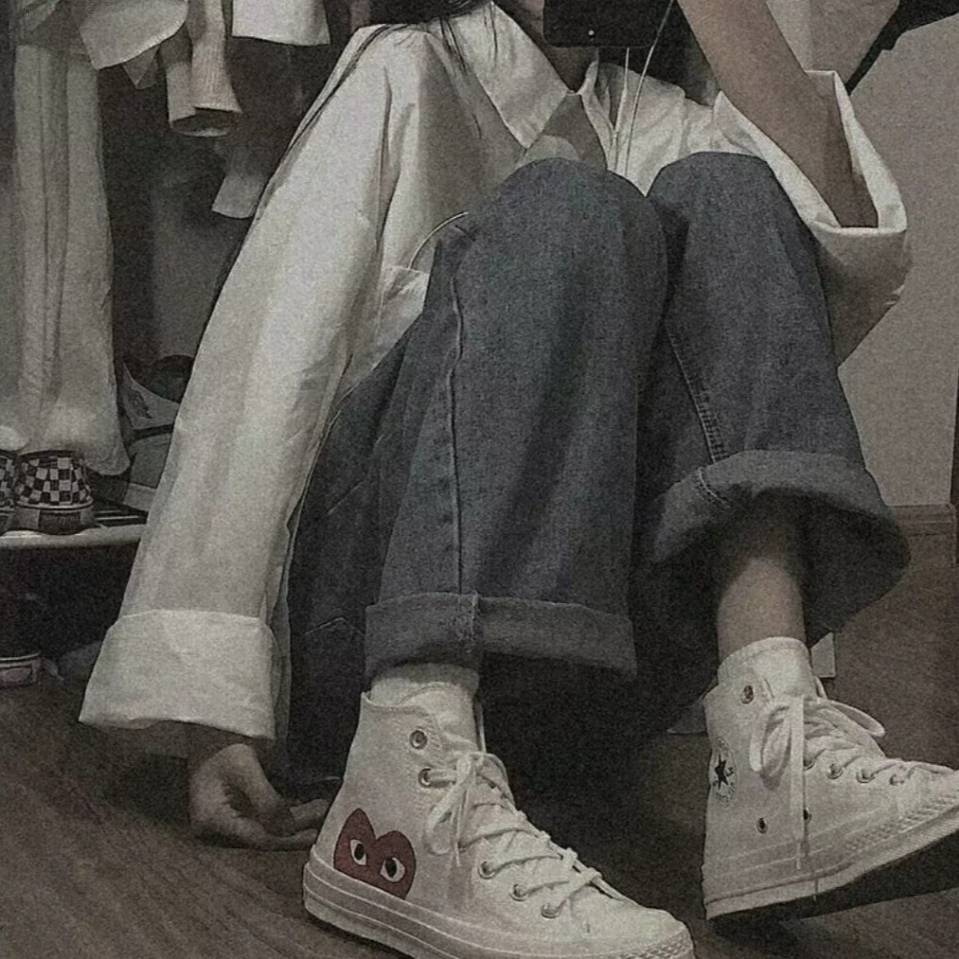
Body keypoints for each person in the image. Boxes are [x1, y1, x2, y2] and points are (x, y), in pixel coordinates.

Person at [79, 2, 959, 958]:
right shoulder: (404, 72)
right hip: (367, 662)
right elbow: (269, 362)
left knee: (740, 192)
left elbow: (839, 267)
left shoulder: (658, 115)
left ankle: (770, 743)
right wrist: (209, 710)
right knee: (572, 205)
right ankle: (411, 777)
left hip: (571, 688)